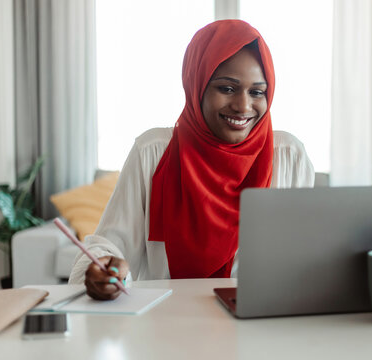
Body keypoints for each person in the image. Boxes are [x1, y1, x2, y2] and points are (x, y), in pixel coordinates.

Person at [68, 20, 314, 300]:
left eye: (257, 92)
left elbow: (304, 257)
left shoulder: (289, 157)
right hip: (166, 325)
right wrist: (104, 269)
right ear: (196, 85)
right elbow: (108, 246)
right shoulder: (153, 151)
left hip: (258, 326)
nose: (243, 106)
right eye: (227, 88)